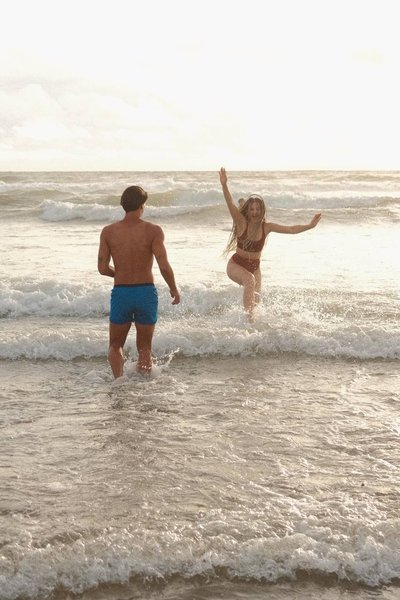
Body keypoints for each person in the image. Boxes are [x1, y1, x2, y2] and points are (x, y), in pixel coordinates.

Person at [98, 185, 180, 378]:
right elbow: (164, 266)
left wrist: (120, 273)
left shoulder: (108, 232)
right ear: (142, 206)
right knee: (144, 347)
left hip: (122, 293)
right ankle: (144, 388)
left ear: (123, 205)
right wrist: (173, 289)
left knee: (115, 345)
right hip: (146, 293)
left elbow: (102, 268)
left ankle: (119, 382)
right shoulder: (153, 231)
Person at [219, 167, 321, 321]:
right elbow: (229, 203)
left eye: (258, 209)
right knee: (249, 281)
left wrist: (309, 226)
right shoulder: (241, 223)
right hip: (236, 265)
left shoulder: (266, 227)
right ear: (248, 211)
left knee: (256, 301)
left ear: (262, 211)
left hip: (255, 267)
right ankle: (248, 322)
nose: (255, 212)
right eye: (252, 209)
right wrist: (224, 184)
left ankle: (251, 323)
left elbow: (291, 229)